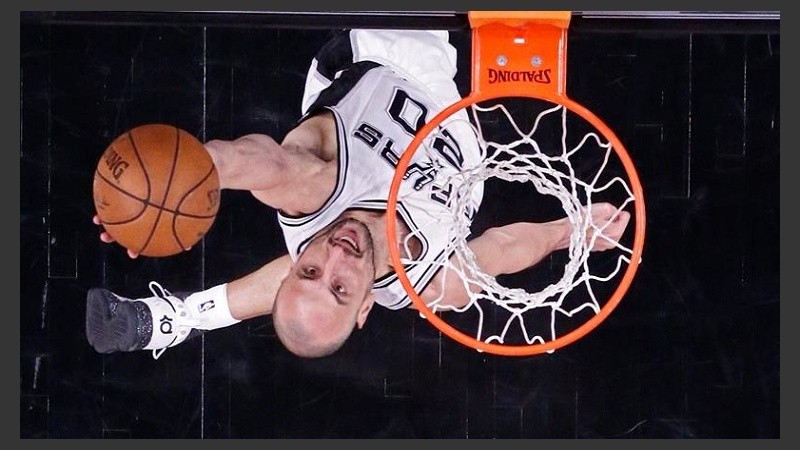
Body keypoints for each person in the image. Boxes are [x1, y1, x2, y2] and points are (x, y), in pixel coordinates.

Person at [86, 29, 631, 359]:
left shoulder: (308, 188)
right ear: (367, 307)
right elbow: (508, 246)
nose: (334, 259)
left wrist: (177, 181)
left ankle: (177, 318)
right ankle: (174, 319)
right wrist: (572, 230)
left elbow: (255, 162)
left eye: (308, 269)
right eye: (342, 290)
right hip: (461, 109)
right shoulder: (433, 285)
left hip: (390, 50)